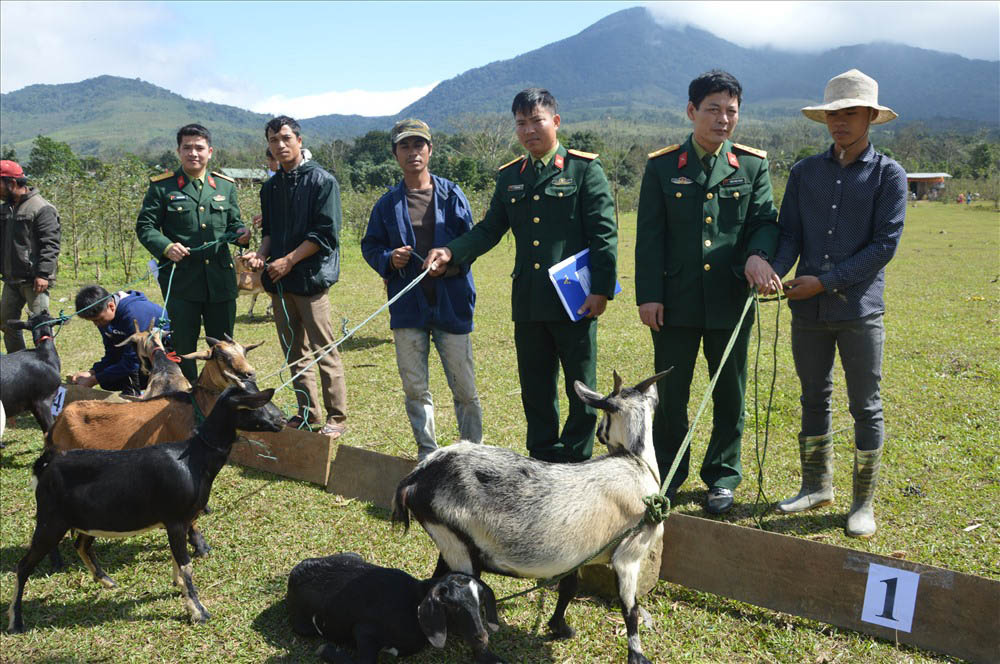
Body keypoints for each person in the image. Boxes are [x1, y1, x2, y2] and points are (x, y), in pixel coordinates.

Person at [424, 88, 617, 464]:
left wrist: (602, 290)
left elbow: (604, 233)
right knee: (536, 385)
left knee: (581, 383)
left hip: (575, 298)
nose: (529, 130)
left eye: (537, 121)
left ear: (555, 122)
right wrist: (451, 251)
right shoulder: (511, 176)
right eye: (521, 123)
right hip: (528, 300)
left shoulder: (583, 169)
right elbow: (489, 229)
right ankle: (543, 456)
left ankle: (576, 457)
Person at [760, 69, 906, 538]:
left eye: (850, 113)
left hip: (860, 312)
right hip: (808, 312)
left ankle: (862, 503)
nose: (839, 122)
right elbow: (789, 235)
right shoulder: (805, 173)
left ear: (870, 117)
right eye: (833, 114)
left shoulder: (889, 176)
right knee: (812, 397)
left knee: (866, 405)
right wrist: (773, 270)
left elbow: (883, 247)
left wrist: (823, 282)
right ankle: (815, 486)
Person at [635, 70, 779, 515]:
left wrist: (757, 254)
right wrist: (649, 296)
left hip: (730, 302)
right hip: (673, 303)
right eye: (713, 109)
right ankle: (670, 472)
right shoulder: (663, 166)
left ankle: (722, 475)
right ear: (692, 111)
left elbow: (764, 222)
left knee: (730, 393)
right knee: (672, 395)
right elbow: (649, 237)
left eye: (731, 111)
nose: (722, 119)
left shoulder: (752, 165)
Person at [361, 119, 482, 460]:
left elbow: (470, 242)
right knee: (415, 388)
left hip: (452, 305)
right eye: (405, 146)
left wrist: (451, 261)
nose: (413, 152)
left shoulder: (452, 195)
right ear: (395, 154)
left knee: (465, 388)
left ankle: (472, 453)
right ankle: (427, 454)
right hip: (408, 309)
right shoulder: (386, 204)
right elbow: (370, 246)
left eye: (419, 145)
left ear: (430, 150)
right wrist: (390, 258)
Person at [244, 116, 348, 438]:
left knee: (323, 350)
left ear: (299, 141)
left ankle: (337, 417)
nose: (280, 145)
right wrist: (261, 255)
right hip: (280, 283)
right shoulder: (271, 187)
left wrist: (288, 260)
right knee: (294, 352)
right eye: (274, 141)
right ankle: (308, 412)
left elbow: (325, 234)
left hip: (310, 281)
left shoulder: (322, 181)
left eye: (286, 138)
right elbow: (271, 232)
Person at [136, 124, 250, 382]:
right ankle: (187, 397)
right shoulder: (162, 187)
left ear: (210, 151)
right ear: (179, 151)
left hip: (220, 282)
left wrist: (242, 234)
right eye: (187, 147)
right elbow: (145, 226)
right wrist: (166, 246)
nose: (193, 153)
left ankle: (222, 393)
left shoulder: (224, 186)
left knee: (223, 346)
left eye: (199, 148)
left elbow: (234, 223)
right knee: (184, 347)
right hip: (181, 283)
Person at [0, 160, 60, 353]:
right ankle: (19, 364)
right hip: (11, 279)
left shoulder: (41, 208)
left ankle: (47, 370)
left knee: (41, 327)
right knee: (7, 324)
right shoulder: (5, 209)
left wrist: (43, 274)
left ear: (12, 182)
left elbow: (50, 244)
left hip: (34, 280)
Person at [69, 285, 169, 396]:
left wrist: (94, 379)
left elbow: (132, 361)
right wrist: (92, 372)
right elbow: (112, 353)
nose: (97, 324)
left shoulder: (134, 314)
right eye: (93, 321)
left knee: (109, 377)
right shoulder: (105, 318)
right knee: (108, 382)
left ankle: (145, 391)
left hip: (163, 355)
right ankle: (132, 390)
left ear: (111, 306)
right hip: (136, 355)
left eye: (98, 320)